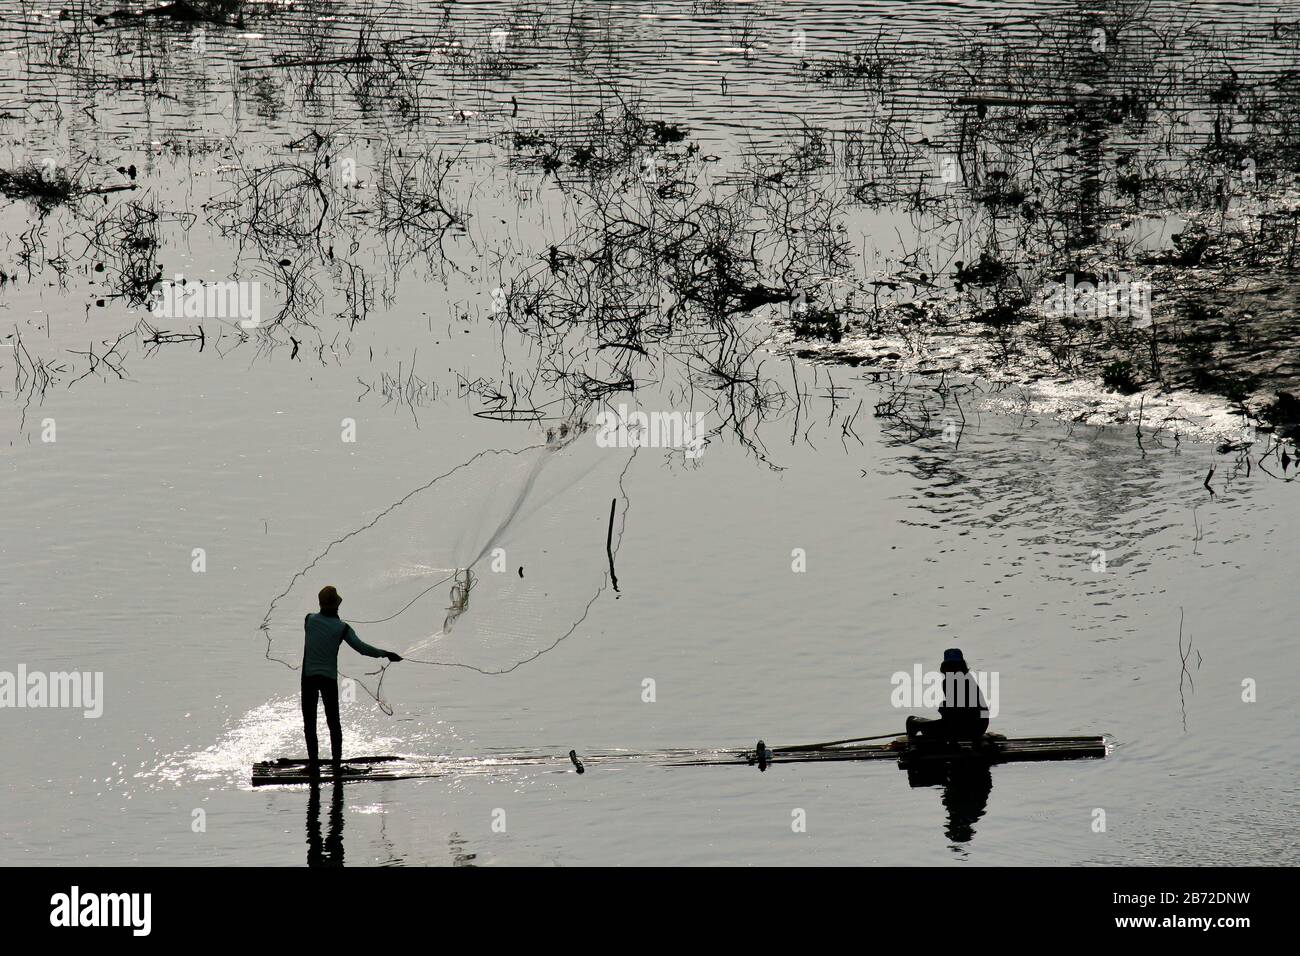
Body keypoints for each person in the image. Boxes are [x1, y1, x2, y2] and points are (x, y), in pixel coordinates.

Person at [302, 585, 402, 777]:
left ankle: (313, 766)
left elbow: (320, 626)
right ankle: (336, 766)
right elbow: (362, 648)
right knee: (334, 723)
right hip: (328, 679)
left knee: (310, 723)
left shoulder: (308, 620)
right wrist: (386, 654)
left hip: (308, 679)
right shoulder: (342, 628)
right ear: (335, 606)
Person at [906, 648, 990, 745]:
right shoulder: (968, 679)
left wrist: (943, 708)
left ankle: (913, 742)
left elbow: (955, 714)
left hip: (967, 727)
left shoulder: (950, 683)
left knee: (912, 722)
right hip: (979, 726)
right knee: (922, 724)